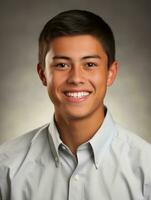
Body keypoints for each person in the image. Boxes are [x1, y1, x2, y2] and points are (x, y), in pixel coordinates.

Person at [0, 9, 151, 200]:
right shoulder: (6, 166)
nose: (76, 78)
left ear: (111, 73)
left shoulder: (146, 169)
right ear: (42, 74)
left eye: (89, 65)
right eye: (62, 65)